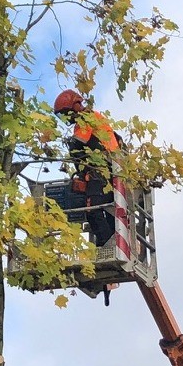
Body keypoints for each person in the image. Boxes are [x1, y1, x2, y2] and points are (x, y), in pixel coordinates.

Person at [53, 89, 121, 247]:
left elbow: (77, 145)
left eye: (65, 114)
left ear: (74, 107)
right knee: (109, 209)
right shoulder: (96, 117)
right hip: (111, 172)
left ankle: (106, 246)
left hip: (101, 171)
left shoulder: (85, 119)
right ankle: (111, 243)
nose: (65, 118)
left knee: (93, 209)